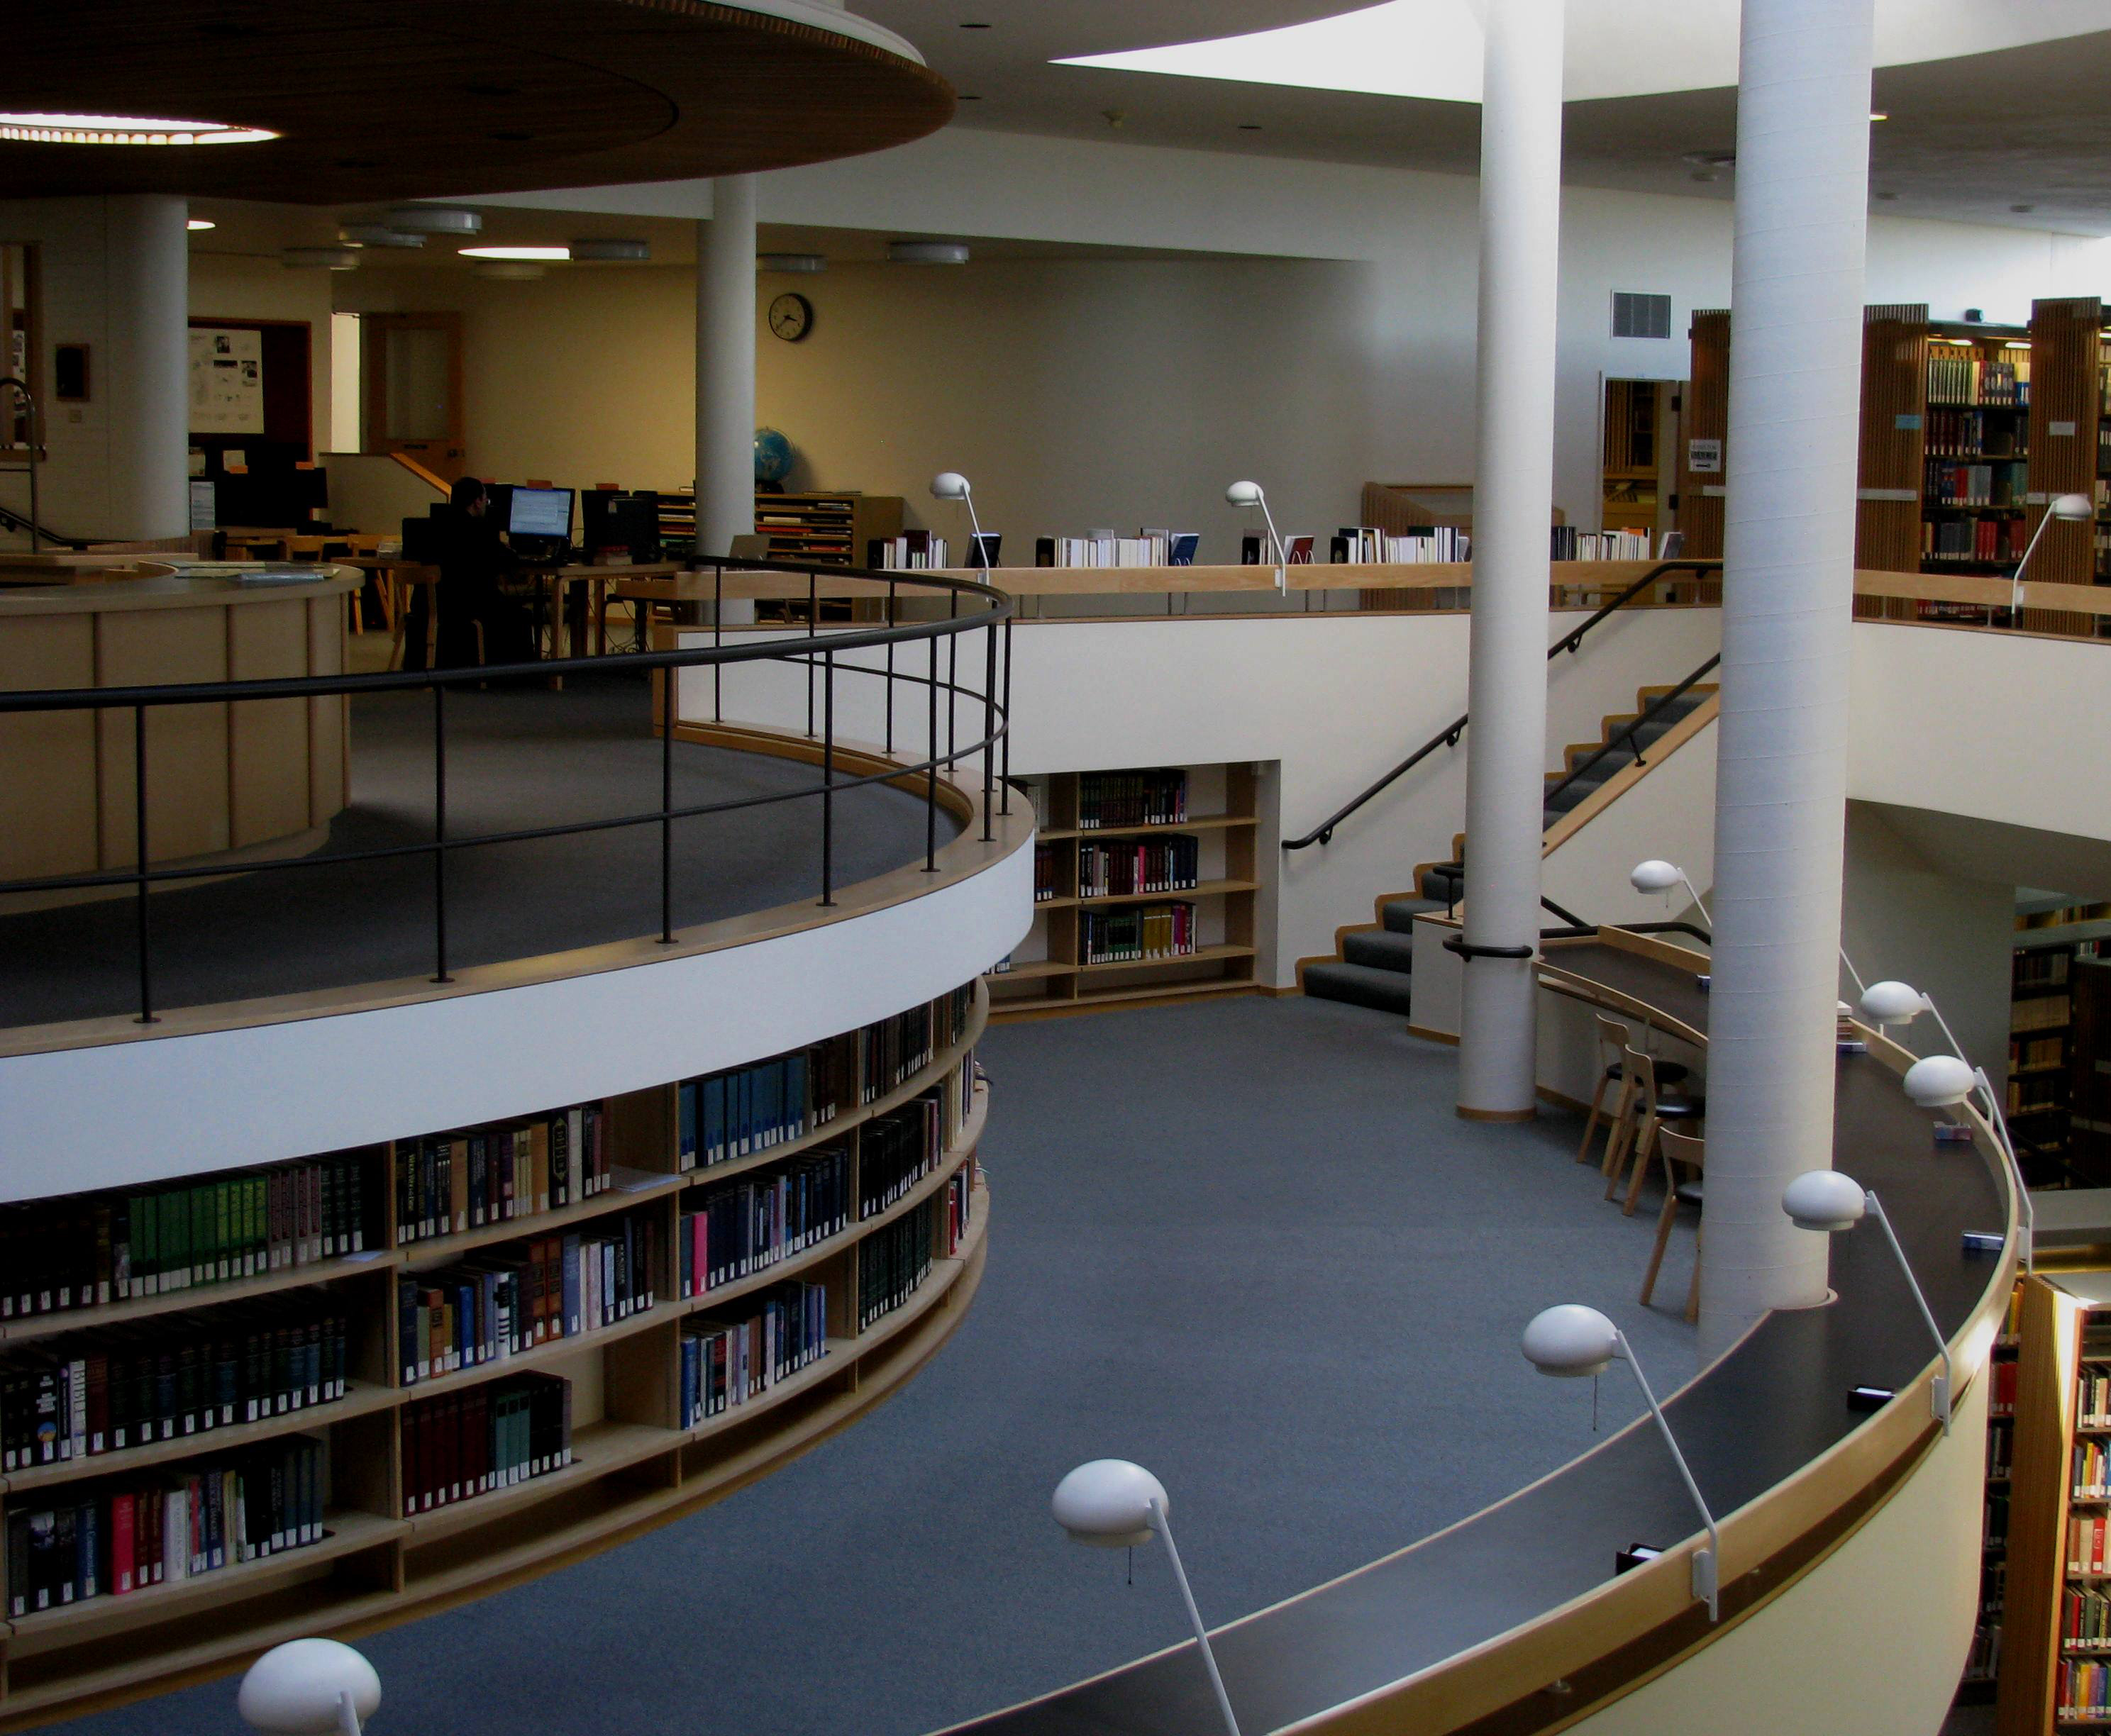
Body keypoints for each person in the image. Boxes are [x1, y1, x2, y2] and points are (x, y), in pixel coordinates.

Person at [404, 478, 536, 669]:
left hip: (428, 605)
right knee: (520, 614)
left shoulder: (433, 527)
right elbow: (508, 562)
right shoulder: (479, 530)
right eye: (486, 500)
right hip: (464, 606)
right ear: (477, 502)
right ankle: (516, 673)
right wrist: (510, 551)